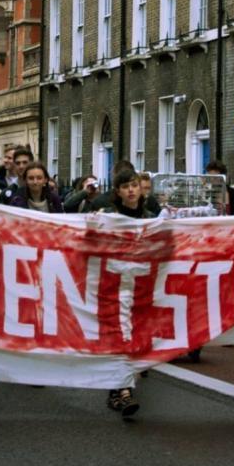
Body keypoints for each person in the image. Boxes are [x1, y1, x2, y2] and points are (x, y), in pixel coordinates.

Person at [99, 167, 150, 418]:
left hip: (142, 286)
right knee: (121, 337)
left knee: (135, 339)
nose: (131, 190)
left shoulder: (152, 217)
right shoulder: (109, 217)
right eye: (125, 186)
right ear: (118, 192)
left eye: (134, 185)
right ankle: (125, 391)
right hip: (115, 286)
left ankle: (116, 391)